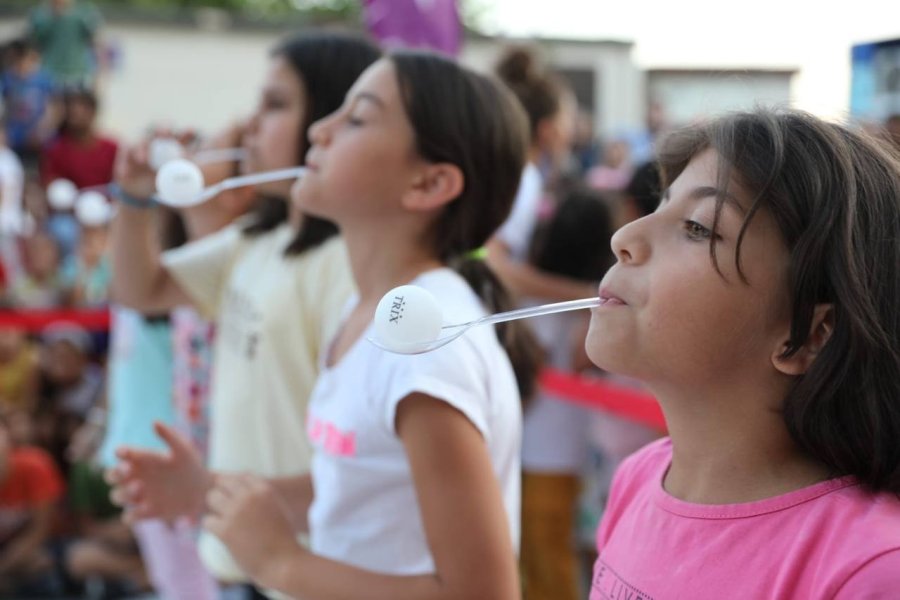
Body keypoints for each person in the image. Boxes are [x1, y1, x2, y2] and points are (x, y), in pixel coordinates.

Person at [109, 51, 542, 599]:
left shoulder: (423, 346)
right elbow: (352, 486)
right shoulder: (370, 311)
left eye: (357, 118)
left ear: (429, 184)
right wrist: (209, 490)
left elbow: (483, 594)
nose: (320, 129)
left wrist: (283, 565)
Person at [585, 109, 900, 598]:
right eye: (660, 204)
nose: (624, 238)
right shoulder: (637, 479)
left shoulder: (869, 570)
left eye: (696, 226)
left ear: (808, 335)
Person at [106, 31, 380, 585]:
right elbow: (142, 290)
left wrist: (204, 491)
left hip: (306, 565)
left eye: (275, 105)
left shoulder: (345, 266)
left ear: (327, 122)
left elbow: (365, 467)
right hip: (241, 557)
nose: (248, 122)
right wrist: (133, 197)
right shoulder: (254, 245)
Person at [520, 186, 616, 600]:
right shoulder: (601, 300)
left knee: (542, 556)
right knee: (557, 553)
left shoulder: (531, 300)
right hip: (577, 447)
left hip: (537, 447)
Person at [487, 46, 592, 302]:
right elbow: (495, 267)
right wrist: (586, 297)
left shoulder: (509, 171)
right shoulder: (524, 179)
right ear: (548, 129)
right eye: (569, 120)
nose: (572, 132)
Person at [28, 0, 103, 89]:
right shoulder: (39, 14)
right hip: (48, 74)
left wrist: (99, 76)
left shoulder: (85, 12)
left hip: (78, 73)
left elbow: (97, 44)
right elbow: (32, 45)